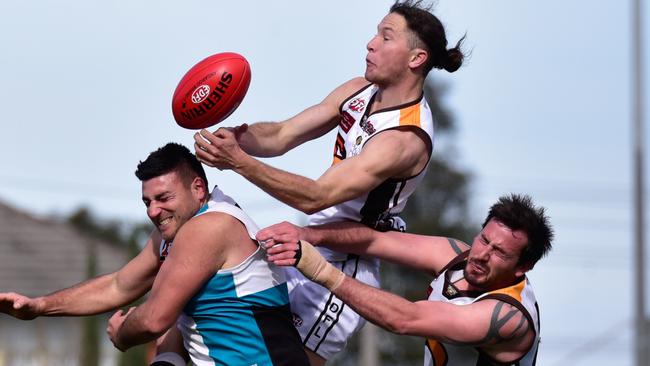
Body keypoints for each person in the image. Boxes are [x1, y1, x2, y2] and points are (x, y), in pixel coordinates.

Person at [194, 1, 465, 363]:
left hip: (344, 264)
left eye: (386, 37)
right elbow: (282, 134)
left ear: (416, 59)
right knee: (202, 310)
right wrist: (237, 138)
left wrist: (239, 163)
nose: (370, 43)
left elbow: (317, 197)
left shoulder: (404, 139)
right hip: (301, 242)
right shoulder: (358, 90)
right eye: (375, 33)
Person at [0, 143, 309, 366]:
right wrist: (39, 305)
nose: (153, 211)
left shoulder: (209, 227)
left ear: (198, 188)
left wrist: (123, 334)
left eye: (163, 198)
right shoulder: (178, 229)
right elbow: (120, 286)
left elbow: (154, 320)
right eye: (147, 201)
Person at [258, 194, 553, 365]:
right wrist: (308, 235)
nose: (482, 254)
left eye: (499, 252)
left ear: (522, 267)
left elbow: (405, 320)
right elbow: (373, 241)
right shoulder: (456, 256)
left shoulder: (507, 316)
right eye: (483, 239)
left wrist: (320, 269)